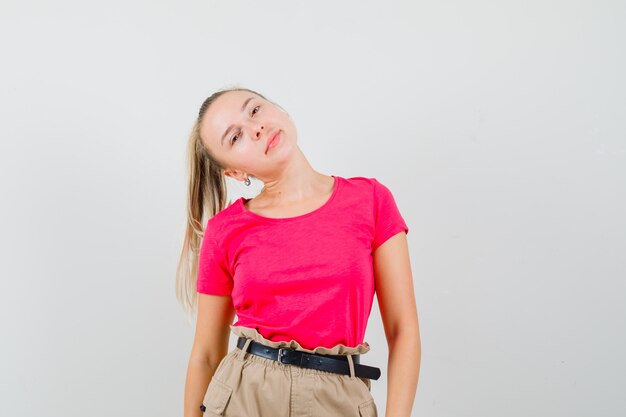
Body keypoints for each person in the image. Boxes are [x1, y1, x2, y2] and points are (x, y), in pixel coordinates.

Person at [177, 87, 421, 417]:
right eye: (236, 138)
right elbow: (206, 354)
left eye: (254, 111)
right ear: (235, 173)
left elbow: (403, 331)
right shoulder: (225, 230)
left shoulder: (371, 201)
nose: (256, 128)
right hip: (245, 396)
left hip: (338, 399)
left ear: (281, 111)